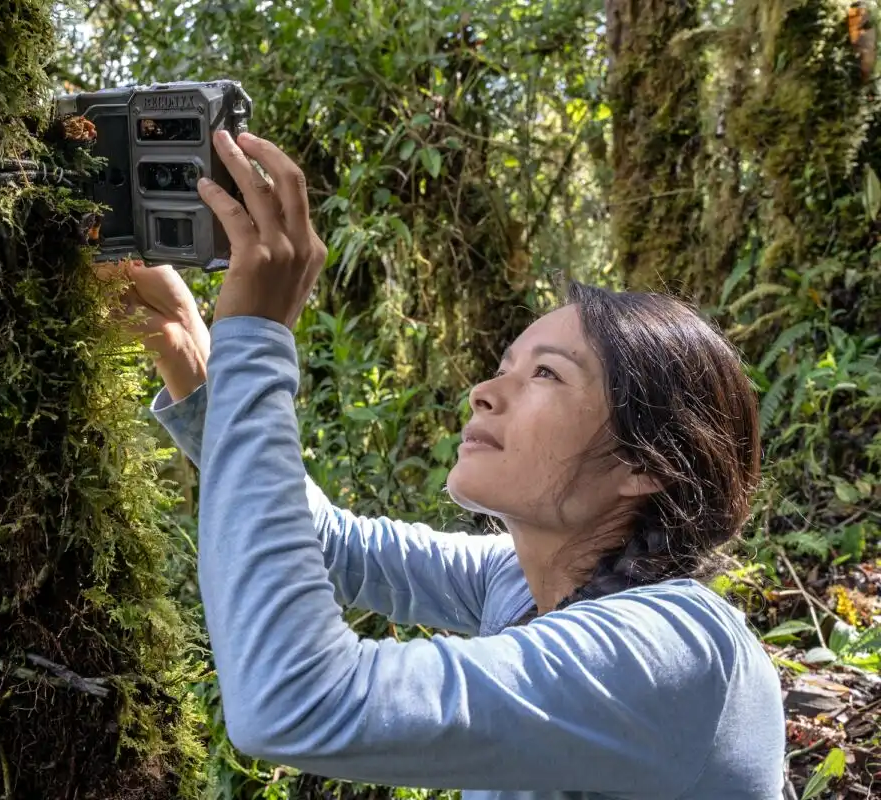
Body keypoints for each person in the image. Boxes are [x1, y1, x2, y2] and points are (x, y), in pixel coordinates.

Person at [113, 129, 786, 799]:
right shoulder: (522, 584)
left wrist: (256, 341)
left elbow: (299, 700)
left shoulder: (678, 650)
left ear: (646, 464)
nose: (485, 393)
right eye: (503, 367)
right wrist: (200, 362)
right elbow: (333, 546)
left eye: (546, 374)